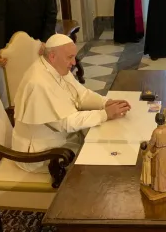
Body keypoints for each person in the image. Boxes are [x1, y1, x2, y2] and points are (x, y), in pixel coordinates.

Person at [12, 34, 131, 172]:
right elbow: (65, 123)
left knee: (108, 144)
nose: (74, 62)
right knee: (101, 161)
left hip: (61, 140)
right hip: (41, 154)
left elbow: (81, 95)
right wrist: (104, 114)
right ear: (52, 56)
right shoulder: (38, 83)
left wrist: (105, 103)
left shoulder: (55, 67)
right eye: (69, 57)